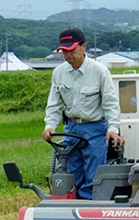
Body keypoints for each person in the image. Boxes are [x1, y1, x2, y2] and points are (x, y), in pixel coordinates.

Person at [42, 28, 125, 199]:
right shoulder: (59, 73)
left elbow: (111, 104)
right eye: (64, 51)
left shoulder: (99, 72)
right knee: (72, 173)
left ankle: (89, 210)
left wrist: (113, 128)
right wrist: (50, 126)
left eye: (71, 50)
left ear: (84, 46)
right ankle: (73, 205)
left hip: (95, 129)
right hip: (71, 128)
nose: (68, 55)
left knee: (93, 176)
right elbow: (54, 103)